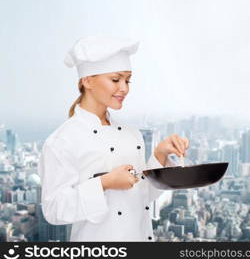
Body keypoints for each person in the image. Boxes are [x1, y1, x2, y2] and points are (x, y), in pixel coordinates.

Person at [38, 35, 189, 241]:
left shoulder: (132, 135)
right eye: (116, 79)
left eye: (128, 80)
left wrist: (160, 154)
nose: (125, 88)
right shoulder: (63, 141)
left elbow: (142, 196)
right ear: (87, 80)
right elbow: (54, 210)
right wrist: (105, 183)